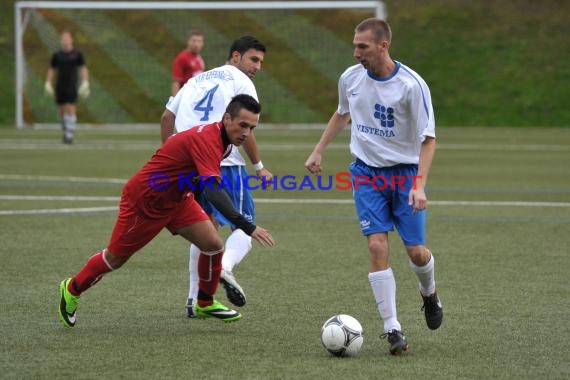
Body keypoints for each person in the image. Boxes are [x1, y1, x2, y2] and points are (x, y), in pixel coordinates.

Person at [58, 95, 275, 328]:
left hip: (177, 200)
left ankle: (204, 302)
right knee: (115, 258)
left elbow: (199, 181)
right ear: (226, 118)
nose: (246, 132)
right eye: (243, 125)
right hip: (145, 201)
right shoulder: (209, 139)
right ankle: (72, 288)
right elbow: (213, 191)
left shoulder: (226, 141)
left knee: (213, 244)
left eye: (252, 128)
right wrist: (248, 226)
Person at [304, 18, 443, 355]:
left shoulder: (412, 85)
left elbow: (428, 140)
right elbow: (342, 114)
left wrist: (419, 185)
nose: (356, 53)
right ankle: (392, 328)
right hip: (366, 173)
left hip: (406, 173)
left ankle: (430, 293)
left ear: (383, 46)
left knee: (416, 252)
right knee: (377, 247)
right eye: (354, 46)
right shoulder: (350, 79)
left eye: (362, 47)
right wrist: (318, 149)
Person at [161, 36, 273, 317]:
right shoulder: (241, 81)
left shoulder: (196, 79)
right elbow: (245, 128)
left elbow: (166, 118)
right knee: (246, 227)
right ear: (235, 56)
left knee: (204, 228)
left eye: (260, 62)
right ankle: (223, 269)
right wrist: (259, 166)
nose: (257, 67)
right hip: (224, 162)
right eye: (253, 59)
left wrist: (171, 157)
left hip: (189, 163)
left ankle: (193, 300)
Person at [44, 30, 90, 144]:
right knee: (61, 111)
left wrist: (85, 81)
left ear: (71, 40)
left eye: (67, 38)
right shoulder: (57, 55)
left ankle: (69, 135)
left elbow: (83, 68)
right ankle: (66, 130)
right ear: (61, 41)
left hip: (71, 85)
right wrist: (48, 82)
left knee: (70, 107)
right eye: (63, 38)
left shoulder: (77, 54)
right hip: (60, 85)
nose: (65, 40)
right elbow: (52, 69)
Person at [171, 30, 205, 96]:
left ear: (202, 43)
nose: (196, 44)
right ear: (188, 41)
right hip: (185, 97)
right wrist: (175, 102)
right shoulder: (181, 58)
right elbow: (176, 82)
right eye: (194, 41)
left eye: (199, 41)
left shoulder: (200, 59)